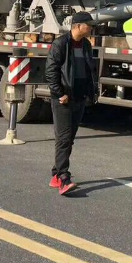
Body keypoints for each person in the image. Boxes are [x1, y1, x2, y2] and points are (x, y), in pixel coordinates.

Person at [45, 11, 97, 195]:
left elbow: (90, 70)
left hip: (79, 97)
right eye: (88, 25)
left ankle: (55, 174)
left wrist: (92, 92)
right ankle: (63, 178)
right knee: (64, 138)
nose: (91, 28)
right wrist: (59, 93)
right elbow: (51, 71)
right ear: (78, 26)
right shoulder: (60, 44)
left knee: (69, 139)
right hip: (63, 99)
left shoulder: (86, 45)